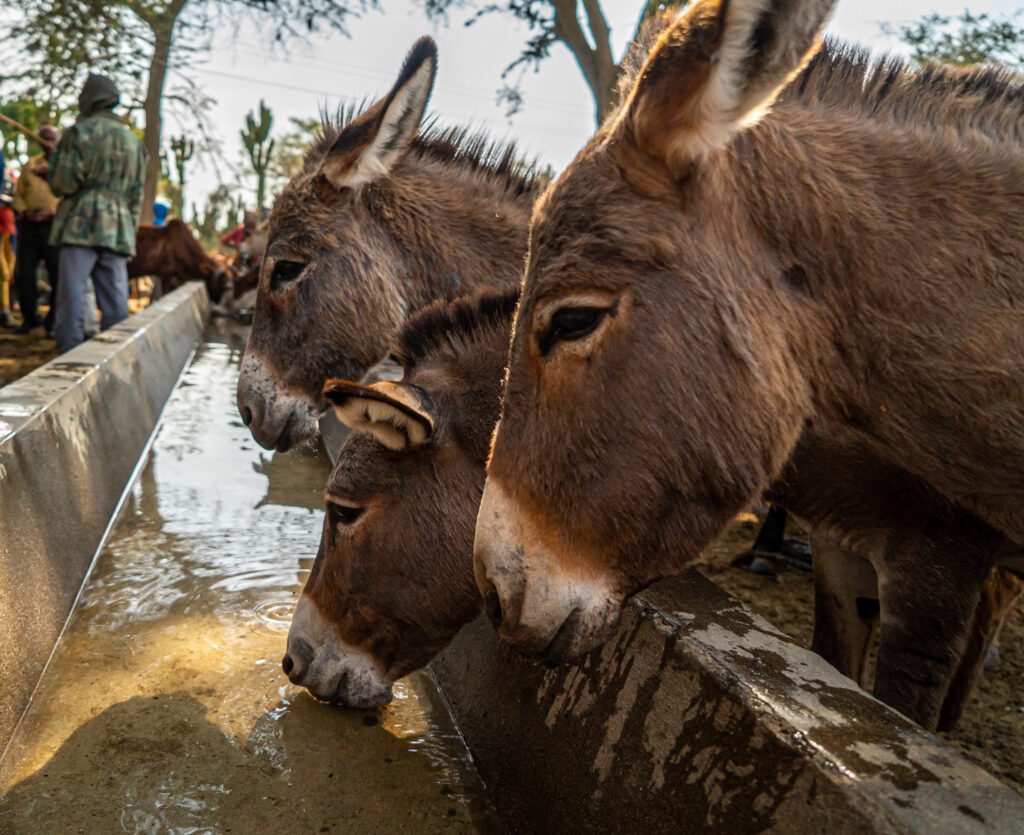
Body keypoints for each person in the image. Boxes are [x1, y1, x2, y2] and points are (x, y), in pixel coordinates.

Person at [46, 74, 147, 353]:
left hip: (80, 223)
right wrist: (129, 228)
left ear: (89, 99)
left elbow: (62, 183)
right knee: (116, 298)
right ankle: (115, 356)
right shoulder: (133, 142)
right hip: (119, 226)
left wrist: (57, 159)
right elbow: (136, 194)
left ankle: (68, 356)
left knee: (73, 295)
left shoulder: (80, 132)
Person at [12, 124, 61, 334]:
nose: (46, 142)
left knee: (57, 274)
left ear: (58, 141)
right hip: (29, 226)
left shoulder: (64, 168)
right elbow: (18, 195)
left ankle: (53, 322)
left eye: (50, 138)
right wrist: (26, 211)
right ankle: (29, 318)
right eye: (43, 138)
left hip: (54, 226)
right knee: (25, 274)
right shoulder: (30, 165)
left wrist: (51, 212)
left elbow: (68, 194)